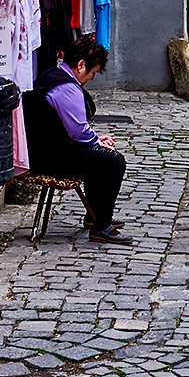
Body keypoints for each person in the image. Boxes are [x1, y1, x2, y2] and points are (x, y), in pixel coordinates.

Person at [45, 44, 127, 241]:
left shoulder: (54, 75)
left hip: (47, 149)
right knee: (114, 161)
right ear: (81, 65)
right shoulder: (67, 88)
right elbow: (79, 131)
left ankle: (95, 216)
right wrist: (96, 143)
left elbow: (75, 128)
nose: (91, 78)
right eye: (92, 73)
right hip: (53, 157)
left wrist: (96, 140)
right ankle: (102, 225)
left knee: (97, 155)